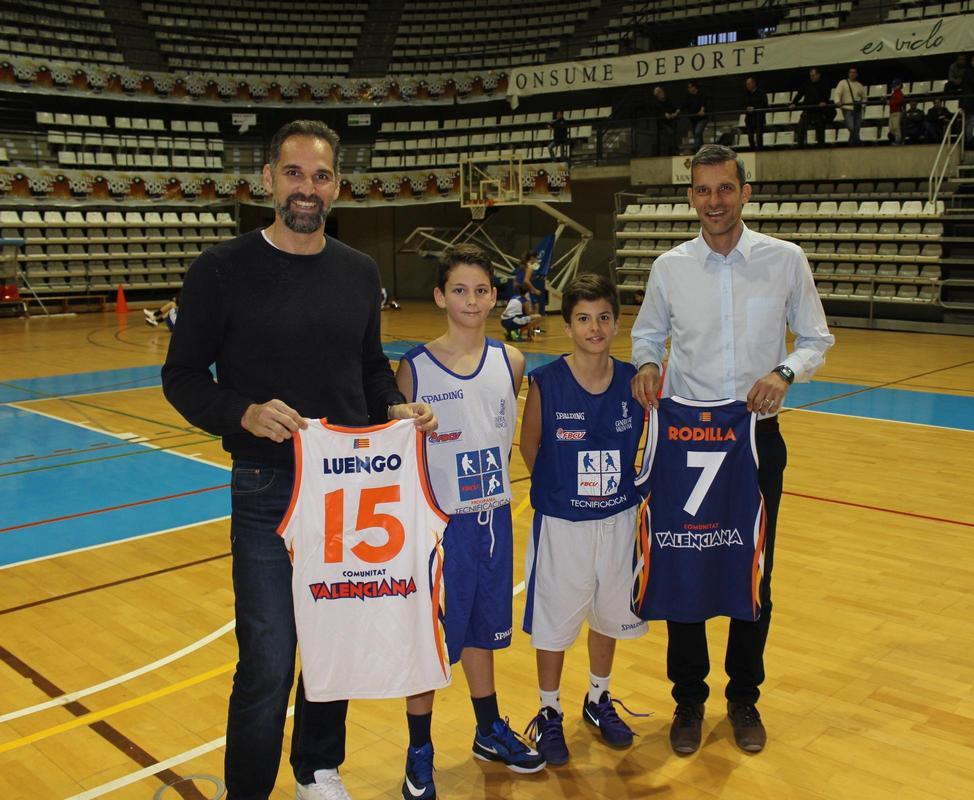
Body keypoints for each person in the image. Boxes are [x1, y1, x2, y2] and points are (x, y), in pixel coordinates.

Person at [162, 119, 436, 800]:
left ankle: (316, 767)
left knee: (333, 643)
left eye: (320, 176)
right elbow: (183, 376)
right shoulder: (220, 269)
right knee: (267, 660)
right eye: (293, 173)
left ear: (337, 187)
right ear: (267, 181)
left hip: (347, 491)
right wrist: (243, 412)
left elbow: (369, 368)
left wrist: (395, 408)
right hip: (266, 486)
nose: (306, 188)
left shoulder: (358, 272)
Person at [629, 144, 834, 756]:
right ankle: (688, 701)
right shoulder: (670, 267)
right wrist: (644, 364)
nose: (714, 201)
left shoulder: (785, 260)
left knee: (754, 570)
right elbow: (648, 334)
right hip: (686, 442)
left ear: (745, 192)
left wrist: (785, 372)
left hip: (753, 439)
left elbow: (817, 337)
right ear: (690, 196)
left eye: (725, 189)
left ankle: (743, 697)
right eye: (703, 190)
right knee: (685, 564)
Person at [396, 244, 545, 800]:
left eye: (481, 290)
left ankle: (488, 729)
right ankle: (419, 750)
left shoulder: (512, 362)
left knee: (483, 631)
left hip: (493, 515)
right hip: (438, 525)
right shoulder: (413, 367)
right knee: (431, 642)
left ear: (494, 297)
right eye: (459, 289)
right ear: (439, 296)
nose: (471, 300)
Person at [519, 274, 648, 767]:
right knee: (555, 621)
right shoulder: (547, 381)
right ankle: (548, 711)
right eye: (583, 319)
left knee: (609, 612)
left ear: (616, 322)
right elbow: (531, 445)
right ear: (568, 325)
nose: (594, 328)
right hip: (563, 523)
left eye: (603, 318)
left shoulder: (634, 380)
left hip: (618, 520)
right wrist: (559, 490)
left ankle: (598, 699)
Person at [790, 67, 830, 147]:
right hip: (807, 110)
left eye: (813, 75)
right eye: (811, 75)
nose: (812, 77)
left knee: (820, 126)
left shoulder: (824, 84)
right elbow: (799, 94)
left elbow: (827, 94)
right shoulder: (807, 84)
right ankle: (800, 145)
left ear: (818, 75)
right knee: (801, 125)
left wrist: (824, 101)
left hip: (818, 110)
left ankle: (821, 146)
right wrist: (794, 103)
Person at [833, 66, 866, 145]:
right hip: (847, 108)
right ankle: (858, 142)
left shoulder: (859, 85)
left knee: (856, 128)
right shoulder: (842, 83)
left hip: (857, 109)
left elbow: (864, 97)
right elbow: (837, 93)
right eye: (851, 72)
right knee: (852, 127)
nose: (852, 74)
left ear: (856, 74)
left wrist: (863, 105)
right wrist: (837, 101)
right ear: (848, 74)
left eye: (854, 72)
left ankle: (851, 144)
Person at [652, 85, 680, 156]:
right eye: (660, 92)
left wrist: (675, 113)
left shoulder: (667, 100)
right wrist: (665, 115)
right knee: (669, 135)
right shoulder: (655, 103)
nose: (663, 93)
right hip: (662, 124)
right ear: (657, 95)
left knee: (673, 136)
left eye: (662, 92)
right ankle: (668, 152)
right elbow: (657, 113)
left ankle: (674, 151)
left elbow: (674, 108)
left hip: (671, 122)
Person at [680, 81, 708, 153]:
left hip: (702, 118)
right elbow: (683, 105)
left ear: (694, 87)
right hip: (693, 119)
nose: (689, 89)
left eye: (690, 87)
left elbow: (703, 103)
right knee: (697, 135)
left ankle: (696, 149)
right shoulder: (688, 96)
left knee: (698, 132)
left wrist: (702, 110)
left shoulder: (701, 94)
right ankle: (702, 150)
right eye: (688, 88)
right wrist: (676, 112)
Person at [742, 76, 768, 150]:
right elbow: (743, 104)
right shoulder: (746, 94)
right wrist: (746, 108)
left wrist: (754, 108)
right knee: (750, 136)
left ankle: (760, 150)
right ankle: (752, 150)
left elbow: (764, 104)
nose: (747, 86)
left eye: (749, 84)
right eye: (746, 84)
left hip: (758, 117)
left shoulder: (761, 93)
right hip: (749, 118)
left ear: (754, 83)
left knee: (759, 135)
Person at [887, 79, 905, 145]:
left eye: (895, 85)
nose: (894, 86)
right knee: (891, 128)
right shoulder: (894, 93)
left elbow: (900, 101)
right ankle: (894, 141)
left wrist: (890, 102)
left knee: (896, 127)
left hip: (897, 112)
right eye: (893, 85)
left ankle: (898, 141)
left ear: (899, 85)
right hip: (892, 112)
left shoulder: (899, 93)